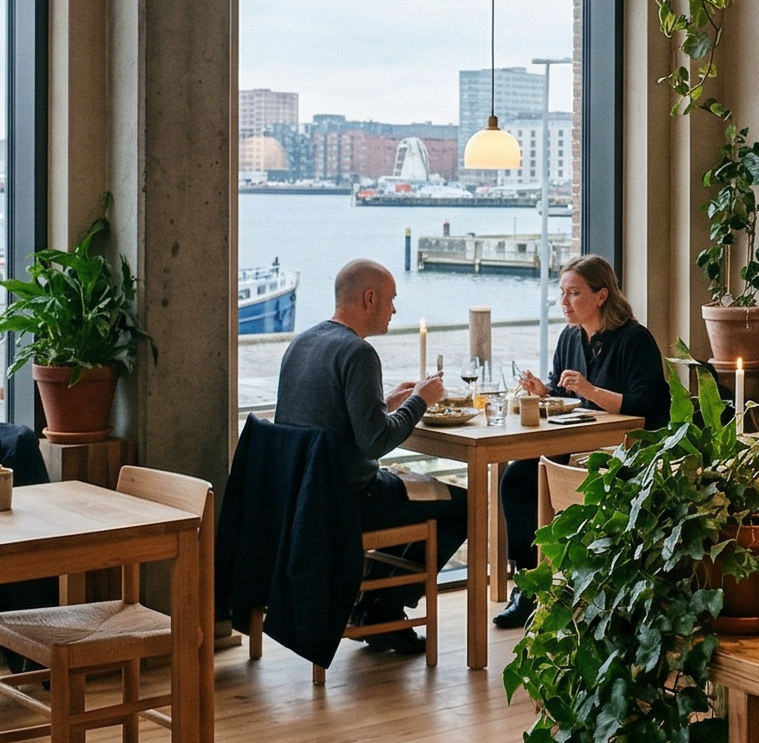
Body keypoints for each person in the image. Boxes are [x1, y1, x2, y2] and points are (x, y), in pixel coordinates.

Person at [274, 259, 460, 657]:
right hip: (348, 500)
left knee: (415, 494)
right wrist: (420, 401)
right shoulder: (359, 353)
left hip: (304, 496)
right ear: (369, 298)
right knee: (462, 504)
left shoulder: (302, 342)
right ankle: (383, 609)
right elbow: (376, 441)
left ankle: (374, 608)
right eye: (391, 301)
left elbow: (332, 420)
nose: (394, 311)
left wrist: (385, 402)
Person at [495, 255, 669, 630]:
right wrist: (545, 392)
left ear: (602, 294)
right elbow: (565, 393)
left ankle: (586, 587)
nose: (564, 302)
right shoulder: (570, 338)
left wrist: (591, 390)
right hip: (576, 443)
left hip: (624, 450)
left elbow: (649, 406)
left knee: (546, 479)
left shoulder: (635, 340)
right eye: (562, 293)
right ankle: (527, 585)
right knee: (516, 479)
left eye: (574, 293)